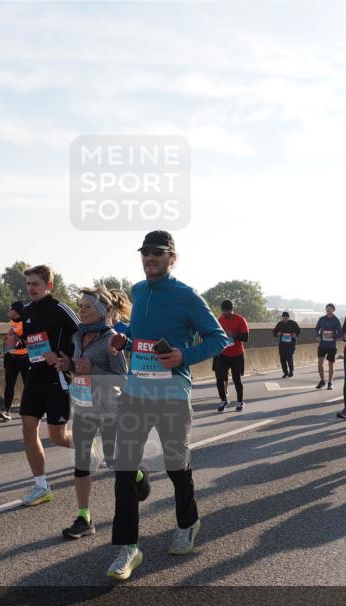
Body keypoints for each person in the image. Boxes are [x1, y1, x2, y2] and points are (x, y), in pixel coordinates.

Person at [106, 230, 227, 581]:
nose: (150, 258)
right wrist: (126, 338)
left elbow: (219, 338)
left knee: (176, 466)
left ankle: (188, 523)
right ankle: (128, 548)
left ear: (172, 257)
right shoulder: (138, 290)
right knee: (123, 467)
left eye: (157, 252)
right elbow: (141, 331)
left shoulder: (187, 295)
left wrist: (183, 356)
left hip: (172, 394)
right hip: (135, 392)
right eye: (145, 252)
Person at [54, 286, 150, 539]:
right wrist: (68, 365)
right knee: (81, 463)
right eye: (81, 306)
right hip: (83, 406)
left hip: (109, 409)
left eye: (87, 307)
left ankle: (139, 474)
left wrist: (92, 371)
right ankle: (84, 517)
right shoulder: (78, 337)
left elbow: (122, 379)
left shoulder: (111, 339)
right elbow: (79, 370)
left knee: (114, 461)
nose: (81, 310)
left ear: (101, 311)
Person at [13, 264, 80, 506]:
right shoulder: (26, 310)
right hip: (34, 376)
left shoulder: (60, 309)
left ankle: (87, 445)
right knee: (28, 429)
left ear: (48, 285)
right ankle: (41, 486)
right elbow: (33, 340)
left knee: (57, 437)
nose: (31, 288)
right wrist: (17, 342)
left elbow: (83, 335)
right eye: (28, 284)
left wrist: (67, 360)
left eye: (36, 284)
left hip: (56, 378)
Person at [215, 300, 250, 412]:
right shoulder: (220, 320)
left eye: (226, 312)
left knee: (236, 379)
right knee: (219, 379)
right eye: (223, 312)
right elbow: (216, 334)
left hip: (237, 354)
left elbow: (245, 337)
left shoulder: (240, 320)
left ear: (231, 310)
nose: (224, 314)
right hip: (223, 354)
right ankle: (223, 400)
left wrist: (233, 334)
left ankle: (240, 402)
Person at [0, 301, 29, 421]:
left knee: (29, 386)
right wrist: (7, 339)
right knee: (9, 385)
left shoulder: (26, 322)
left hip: (25, 358)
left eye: (10, 308)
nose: (8, 310)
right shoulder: (12, 321)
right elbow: (10, 340)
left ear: (16, 311)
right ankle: (7, 411)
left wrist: (17, 341)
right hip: (12, 358)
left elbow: (28, 341)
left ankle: (35, 409)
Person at [315, 304, 342, 390]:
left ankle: (330, 382)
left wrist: (332, 335)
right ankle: (322, 381)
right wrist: (318, 335)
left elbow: (340, 333)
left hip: (332, 346)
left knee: (331, 365)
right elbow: (317, 328)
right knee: (320, 363)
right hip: (322, 345)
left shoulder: (336, 320)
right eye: (327, 308)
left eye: (330, 308)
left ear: (333, 310)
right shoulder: (322, 319)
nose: (328, 310)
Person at [273, 311, 301, 377]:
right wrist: (277, 334)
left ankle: (291, 371)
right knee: (282, 358)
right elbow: (274, 332)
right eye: (283, 318)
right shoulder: (280, 324)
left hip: (291, 344)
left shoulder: (293, 323)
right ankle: (285, 372)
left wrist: (295, 334)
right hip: (282, 344)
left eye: (286, 318)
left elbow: (299, 331)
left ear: (288, 317)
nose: (284, 319)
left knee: (289, 357)